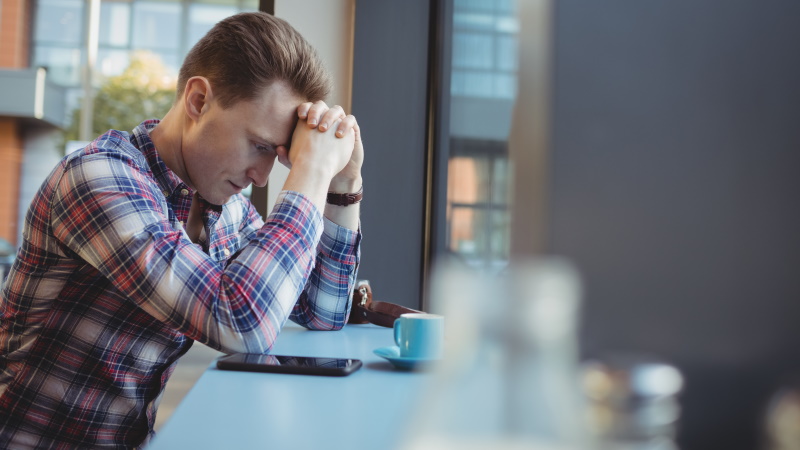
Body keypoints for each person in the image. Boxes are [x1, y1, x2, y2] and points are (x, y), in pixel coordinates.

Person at [0, 12, 362, 448]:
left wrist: (343, 186)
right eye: (260, 146)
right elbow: (241, 322)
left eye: (280, 154)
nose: (264, 176)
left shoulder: (227, 212)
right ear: (197, 101)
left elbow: (321, 312)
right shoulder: (99, 179)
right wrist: (311, 171)